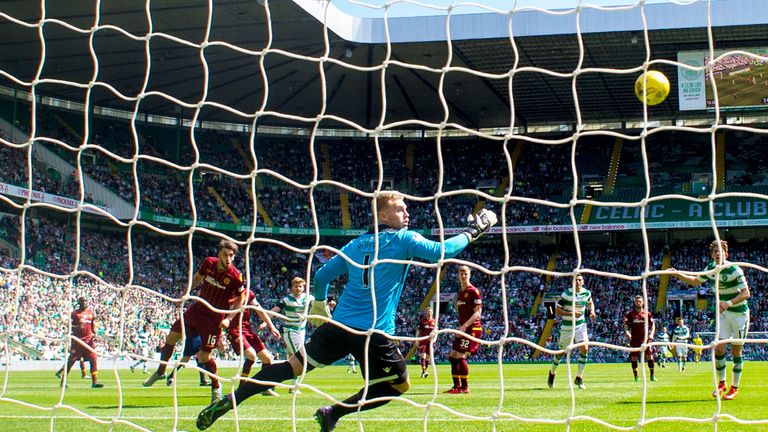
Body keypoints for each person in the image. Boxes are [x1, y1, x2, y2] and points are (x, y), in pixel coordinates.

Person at [196, 192, 497, 431]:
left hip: (338, 328)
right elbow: (441, 252)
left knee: (290, 368)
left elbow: (323, 276)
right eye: (400, 209)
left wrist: (318, 306)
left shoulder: (355, 244)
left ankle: (229, 401)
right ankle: (334, 412)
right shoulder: (404, 239)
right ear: (383, 215)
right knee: (399, 385)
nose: (407, 212)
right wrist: (474, 230)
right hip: (374, 334)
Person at [144, 240, 245, 404]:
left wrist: (229, 319)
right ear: (219, 253)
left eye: (231, 255)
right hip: (197, 310)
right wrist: (185, 293)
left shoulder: (235, 276)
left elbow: (241, 297)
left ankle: (216, 387)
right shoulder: (209, 263)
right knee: (170, 338)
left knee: (204, 357)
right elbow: (197, 277)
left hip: (214, 318)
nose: (228, 258)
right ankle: (161, 371)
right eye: (225, 254)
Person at [670, 240, 751, 400]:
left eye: (720, 251)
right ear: (712, 254)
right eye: (715, 251)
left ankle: (734, 387)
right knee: (719, 348)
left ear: (726, 254)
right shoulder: (710, 268)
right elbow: (695, 281)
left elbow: (745, 293)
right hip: (723, 315)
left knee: (736, 351)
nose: (717, 253)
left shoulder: (735, 269)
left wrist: (727, 303)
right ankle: (722, 383)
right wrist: (677, 274)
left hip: (739, 315)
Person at [229, 288, 281, 396]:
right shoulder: (225, 292)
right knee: (251, 355)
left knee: (267, 359)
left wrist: (272, 327)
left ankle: (265, 388)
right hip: (234, 329)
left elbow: (260, 310)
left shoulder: (248, 293)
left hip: (247, 329)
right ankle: (242, 387)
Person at [547, 275, 595, 390]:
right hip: (567, 326)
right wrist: (572, 313)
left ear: (583, 282)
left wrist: (592, 311)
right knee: (561, 352)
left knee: (585, 348)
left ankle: (579, 377)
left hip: (580, 325)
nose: (578, 282)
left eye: (580, 280)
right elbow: (557, 310)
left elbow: (589, 302)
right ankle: (552, 372)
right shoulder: (566, 294)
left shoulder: (586, 293)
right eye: (576, 280)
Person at [265, 277, 313, 393]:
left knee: (292, 360)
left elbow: (319, 307)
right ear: (292, 287)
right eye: (296, 286)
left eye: (300, 286)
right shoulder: (286, 300)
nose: (298, 288)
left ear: (304, 287)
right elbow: (273, 311)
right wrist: (264, 322)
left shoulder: (309, 298)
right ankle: (291, 385)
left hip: (301, 331)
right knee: (301, 358)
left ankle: (270, 384)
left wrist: (329, 306)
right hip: (290, 331)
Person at [445, 266, 482, 394]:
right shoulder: (460, 293)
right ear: (458, 275)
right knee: (452, 355)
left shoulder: (474, 291)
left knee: (460, 355)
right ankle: (456, 386)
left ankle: (465, 387)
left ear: (469, 275)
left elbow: (477, 314)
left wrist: (465, 326)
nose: (463, 276)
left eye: (465, 274)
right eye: (461, 274)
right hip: (463, 328)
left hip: (472, 328)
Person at [58, 297, 103, 388]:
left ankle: (94, 382)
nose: (85, 303)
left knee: (93, 359)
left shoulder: (90, 313)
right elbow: (70, 327)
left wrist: (95, 334)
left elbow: (93, 325)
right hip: (78, 341)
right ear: (79, 303)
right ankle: (63, 382)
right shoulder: (75, 314)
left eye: (86, 301)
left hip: (89, 341)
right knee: (71, 361)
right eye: (82, 301)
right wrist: (78, 327)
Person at [623, 295, 656, 382]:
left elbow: (653, 325)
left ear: (643, 302)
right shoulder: (630, 314)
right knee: (634, 358)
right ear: (634, 302)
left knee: (650, 356)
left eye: (640, 301)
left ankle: (652, 375)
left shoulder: (647, 314)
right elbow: (626, 324)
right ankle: (636, 377)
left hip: (645, 339)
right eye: (637, 301)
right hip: (634, 339)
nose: (638, 303)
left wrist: (652, 334)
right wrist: (626, 332)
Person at [416, 306, 436, 379]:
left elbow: (436, 332)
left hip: (430, 342)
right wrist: (417, 340)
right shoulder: (422, 321)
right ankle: (424, 371)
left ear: (432, 312)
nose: (429, 313)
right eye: (428, 312)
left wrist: (435, 339)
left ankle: (424, 371)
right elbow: (418, 330)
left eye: (430, 312)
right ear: (426, 313)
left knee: (428, 358)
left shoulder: (434, 321)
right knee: (423, 356)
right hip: (423, 341)